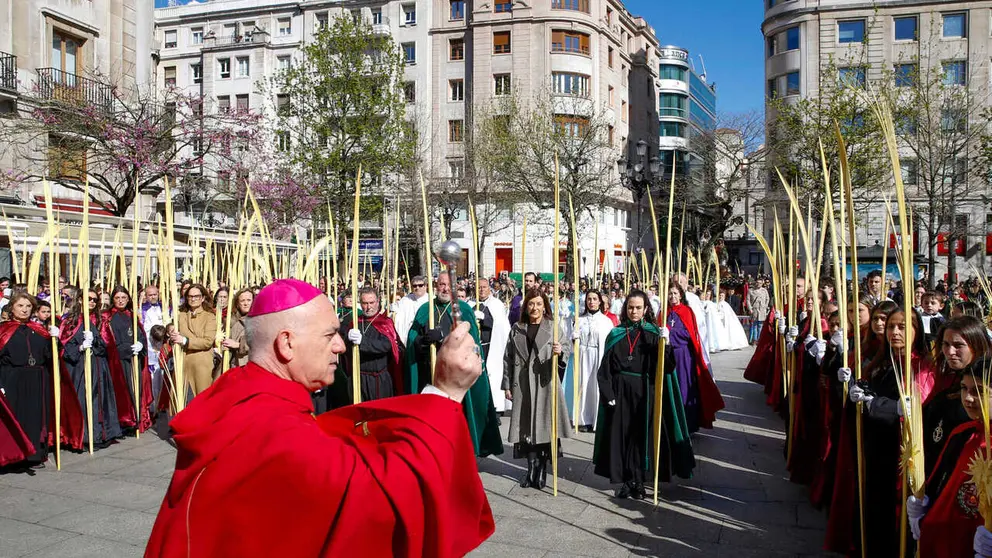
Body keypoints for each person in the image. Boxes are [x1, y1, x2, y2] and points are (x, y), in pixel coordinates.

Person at [144, 279, 495, 557]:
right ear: (287, 344)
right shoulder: (274, 430)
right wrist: (446, 394)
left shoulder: (239, 391)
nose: (341, 346)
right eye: (330, 335)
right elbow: (380, 502)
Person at [847, 308, 935, 556]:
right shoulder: (881, 361)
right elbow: (866, 394)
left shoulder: (921, 366)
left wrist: (881, 405)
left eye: (903, 327)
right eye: (891, 327)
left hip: (899, 455)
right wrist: (855, 391)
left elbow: (915, 407)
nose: (895, 332)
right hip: (874, 449)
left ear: (917, 331)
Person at [593, 290, 695, 500]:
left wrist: (665, 345)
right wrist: (608, 392)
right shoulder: (616, 333)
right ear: (625, 308)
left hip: (644, 391)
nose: (634, 311)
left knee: (641, 437)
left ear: (646, 309)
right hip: (620, 391)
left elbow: (666, 368)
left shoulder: (653, 334)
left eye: (638, 307)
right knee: (622, 437)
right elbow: (605, 369)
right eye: (631, 307)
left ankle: (638, 481)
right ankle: (626, 480)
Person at [405, 272, 503, 458]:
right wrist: (422, 340)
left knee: (456, 418)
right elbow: (412, 338)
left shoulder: (463, 309)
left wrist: (442, 337)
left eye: (448, 285)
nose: (444, 288)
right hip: (430, 375)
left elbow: (470, 342)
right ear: (436, 285)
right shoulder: (425, 309)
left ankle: (458, 454)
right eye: (441, 284)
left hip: (455, 378)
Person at [913, 357, 992, 558]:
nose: (968, 398)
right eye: (965, 388)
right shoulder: (962, 433)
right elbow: (940, 482)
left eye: (979, 391)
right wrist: (921, 506)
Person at [0, 293, 84, 466]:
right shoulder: (3, 330)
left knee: (36, 417)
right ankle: (16, 456)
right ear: (12, 308)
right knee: (17, 416)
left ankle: (35, 455)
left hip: (38, 378)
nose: (24, 310)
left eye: (28, 306)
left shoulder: (39, 330)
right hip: (13, 378)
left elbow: (52, 356)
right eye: (20, 306)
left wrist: (55, 340)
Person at [501, 288, 572, 490]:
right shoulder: (517, 327)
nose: (535, 307)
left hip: (544, 383)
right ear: (526, 306)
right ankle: (530, 467)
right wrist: (507, 384)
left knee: (543, 427)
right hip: (523, 384)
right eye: (531, 303)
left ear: (545, 306)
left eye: (539, 304)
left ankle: (541, 468)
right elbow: (508, 357)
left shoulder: (552, 327)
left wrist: (560, 352)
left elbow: (566, 348)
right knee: (526, 428)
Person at [60, 288, 129, 446]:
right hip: (79, 368)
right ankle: (82, 436)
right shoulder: (70, 321)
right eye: (88, 299)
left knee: (99, 399)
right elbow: (63, 346)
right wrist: (80, 347)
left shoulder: (100, 321)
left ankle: (99, 434)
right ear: (79, 300)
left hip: (98, 365)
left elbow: (107, 345)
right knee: (82, 399)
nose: (91, 302)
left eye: (94, 300)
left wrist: (96, 341)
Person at [921, 316, 988, 477]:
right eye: (946, 344)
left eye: (958, 345)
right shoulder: (945, 382)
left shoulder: (987, 391)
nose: (950, 352)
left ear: (976, 346)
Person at [666, 283, 725, 434]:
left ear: (680, 294)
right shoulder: (664, 312)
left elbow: (689, 334)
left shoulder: (686, 311)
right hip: (667, 356)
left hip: (683, 356)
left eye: (675, 293)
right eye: (670, 293)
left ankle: (687, 425)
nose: (672, 296)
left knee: (684, 389)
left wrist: (670, 335)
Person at [341, 287, 404, 402]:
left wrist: (362, 342)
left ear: (378, 302)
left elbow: (386, 345)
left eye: (371, 302)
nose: (368, 307)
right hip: (358, 377)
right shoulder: (355, 323)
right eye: (365, 303)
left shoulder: (385, 323)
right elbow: (345, 351)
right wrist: (347, 339)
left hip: (378, 380)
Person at [105, 286, 154, 432]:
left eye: (123, 298)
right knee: (121, 390)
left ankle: (136, 419)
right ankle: (123, 421)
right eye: (117, 298)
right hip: (118, 361)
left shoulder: (131, 315)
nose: (121, 301)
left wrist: (140, 343)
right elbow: (109, 340)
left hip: (134, 359)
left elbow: (140, 334)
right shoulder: (108, 317)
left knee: (135, 389)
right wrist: (126, 348)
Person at [576, 289, 615, 432]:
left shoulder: (606, 321)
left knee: (597, 387)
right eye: (589, 299)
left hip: (599, 357)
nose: (591, 302)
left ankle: (598, 420)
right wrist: (574, 337)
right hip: (583, 356)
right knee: (584, 385)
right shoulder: (579, 320)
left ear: (600, 301)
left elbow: (610, 341)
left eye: (594, 299)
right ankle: (585, 419)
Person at [170, 284, 217, 396]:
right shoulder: (180, 316)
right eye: (190, 296)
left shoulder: (209, 317)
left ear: (203, 298)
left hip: (201, 365)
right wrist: (172, 336)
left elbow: (207, 341)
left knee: (201, 400)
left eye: (196, 296)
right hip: (183, 363)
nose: (193, 299)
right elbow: (175, 337)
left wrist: (185, 340)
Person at [477, 279, 510, 414]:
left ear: (489, 288)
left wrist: (485, 318)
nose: (482, 290)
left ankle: (495, 406)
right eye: (479, 287)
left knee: (492, 376)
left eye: (484, 287)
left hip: (492, 346)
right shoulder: (472, 304)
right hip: (477, 347)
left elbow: (500, 325)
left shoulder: (496, 304)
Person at [220, 288, 253, 369]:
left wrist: (239, 345)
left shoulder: (260, 319)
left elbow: (261, 341)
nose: (246, 303)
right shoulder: (230, 321)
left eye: (249, 300)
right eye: (242, 301)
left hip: (252, 363)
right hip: (235, 364)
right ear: (237, 303)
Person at [392, 275, 429, 345]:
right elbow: (394, 309)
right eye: (415, 286)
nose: (417, 288)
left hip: (423, 336)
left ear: (426, 286)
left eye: (420, 285)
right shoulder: (406, 299)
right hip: (407, 335)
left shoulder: (431, 300)